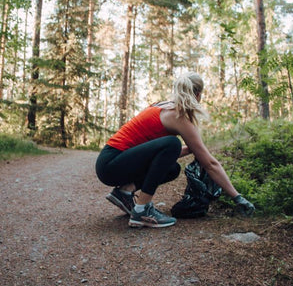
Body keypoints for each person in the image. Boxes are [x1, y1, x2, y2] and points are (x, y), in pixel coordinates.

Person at [95, 72, 255, 228]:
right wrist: (237, 197)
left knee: (172, 169)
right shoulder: (177, 116)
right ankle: (142, 210)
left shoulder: (162, 105)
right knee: (172, 143)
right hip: (112, 164)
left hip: (111, 161)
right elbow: (210, 164)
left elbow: (160, 157)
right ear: (198, 95)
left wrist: (194, 149)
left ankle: (125, 192)